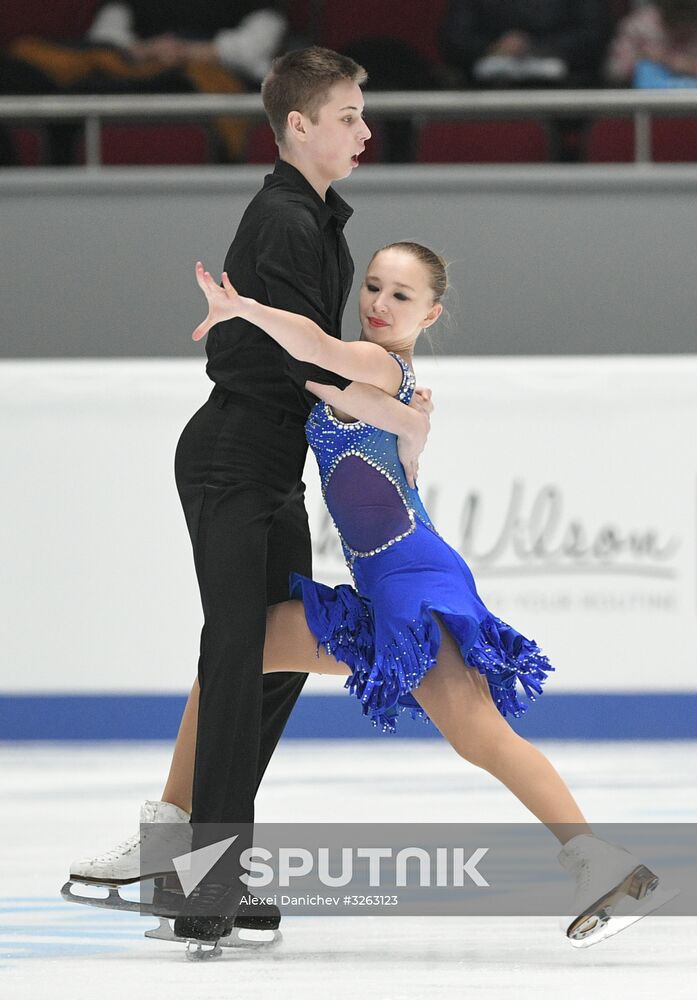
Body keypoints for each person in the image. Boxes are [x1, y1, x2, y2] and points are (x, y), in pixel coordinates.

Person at [70, 242, 674, 954]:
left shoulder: (383, 366)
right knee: (235, 653)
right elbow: (329, 381)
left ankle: (598, 863)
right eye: (375, 288)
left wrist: (243, 309)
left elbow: (313, 345)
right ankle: (171, 831)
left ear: (430, 314)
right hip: (384, 584)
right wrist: (409, 427)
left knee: (479, 734)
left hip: (415, 584)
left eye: (401, 297)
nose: (380, 305)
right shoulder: (376, 378)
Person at [67, 46, 434, 951]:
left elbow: (311, 354)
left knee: (268, 661)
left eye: (361, 113)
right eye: (348, 115)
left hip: (268, 463)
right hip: (234, 454)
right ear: (298, 125)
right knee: (237, 654)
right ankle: (205, 876)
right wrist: (396, 402)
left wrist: (391, 403)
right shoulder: (283, 220)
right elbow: (306, 355)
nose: (364, 130)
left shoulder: (313, 221)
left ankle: (210, 864)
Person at [604, 0, 697, 85]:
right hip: (643, 98)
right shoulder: (640, 26)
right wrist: (642, 56)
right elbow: (614, 71)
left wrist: (669, 60)